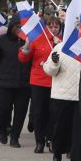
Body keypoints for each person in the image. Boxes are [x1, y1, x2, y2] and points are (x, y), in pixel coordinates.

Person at [42, 24, 81, 161]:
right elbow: (48, 70)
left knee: (78, 129)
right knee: (60, 127)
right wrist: (53, 62)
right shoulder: (60, 47)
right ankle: (58, 151)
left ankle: (76, 158)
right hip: (62, 96)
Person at [0, 21, 29, 146]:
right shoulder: (2, 39)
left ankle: (15, 137)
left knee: (21, 111)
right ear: (11, 27)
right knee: (5, 108)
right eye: (17, 27)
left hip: (23, 82)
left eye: (22, 27)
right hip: (4, 81)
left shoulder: (28, 40)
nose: (19, 29)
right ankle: (2, 128)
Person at [18, 21, 57, 153]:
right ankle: (39, 141)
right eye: (51, 26)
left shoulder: (61, 41)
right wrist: (26, 47)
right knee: (39, 112)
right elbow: (23, 58)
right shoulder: (37, 39)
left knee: (53, 113)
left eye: (56, 27)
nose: (53, 29)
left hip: (56, 82)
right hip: (38, 81)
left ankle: (50, 139)